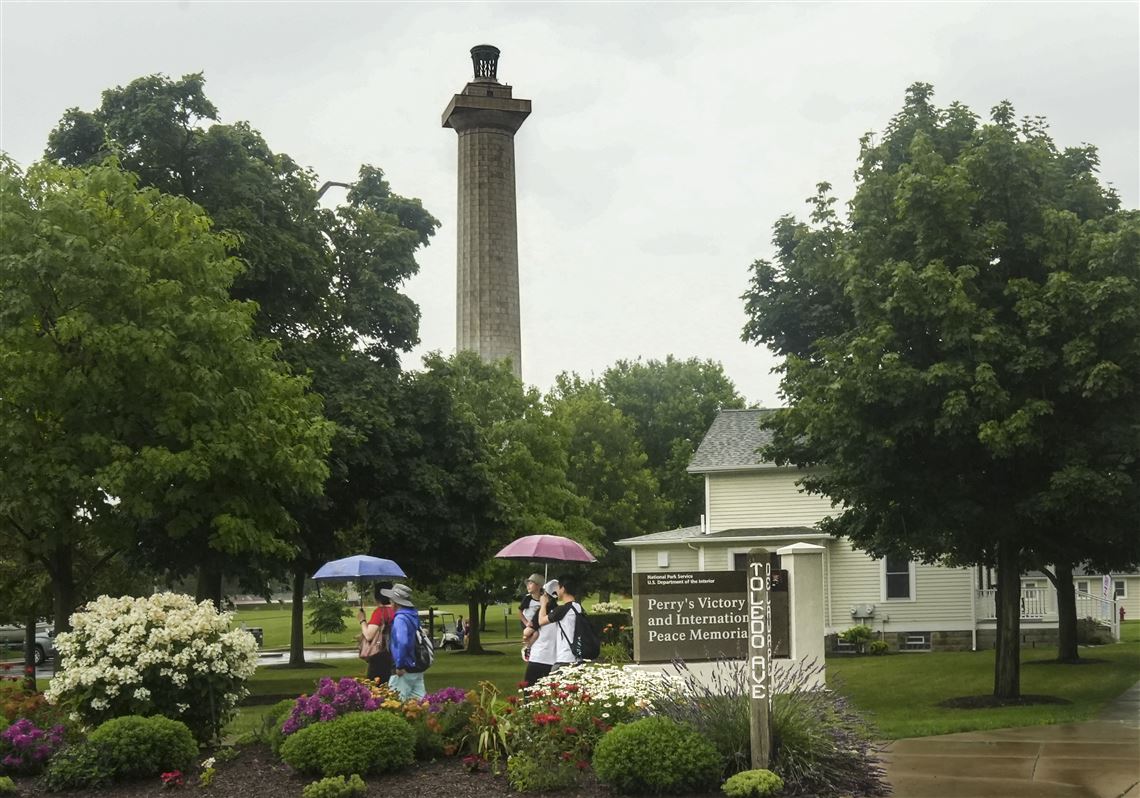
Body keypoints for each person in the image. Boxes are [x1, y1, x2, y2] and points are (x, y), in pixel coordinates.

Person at [382, 583, 427, 700]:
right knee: (418, 705)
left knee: (395, 703)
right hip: (417, 666)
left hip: (404, 668)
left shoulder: (400, 618)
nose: (390, 603)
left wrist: (400, 665)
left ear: (396, 602)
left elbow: (402, 642)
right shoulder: (413, 615)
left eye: (391, 600)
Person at [540, 576, 583, 672]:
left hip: (565, 658)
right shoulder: (579, 608)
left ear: (563, 589)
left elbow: (541, 621)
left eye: (558, 587)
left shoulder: (562, 609)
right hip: (578, 656)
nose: (557, 591)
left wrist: (543, 604)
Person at [523, 579, 559, 686]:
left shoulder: (542, 612)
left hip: (539, 657)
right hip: (555, 658)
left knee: (529, 690)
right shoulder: (560, 611)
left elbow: (527, 632)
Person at [357, 582, 394, 684]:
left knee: (375, 686)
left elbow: (369, 635)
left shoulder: (380, 612)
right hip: (394, 653)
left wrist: (362, 620)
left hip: (380, 654)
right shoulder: (396, 610)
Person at [518, 573, 544, 658]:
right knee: (535, 634)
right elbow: (520, 611)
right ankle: (527, 648)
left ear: (539, 586)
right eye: (527, 584)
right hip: (527, 622)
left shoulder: (543, 598)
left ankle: (528, 644)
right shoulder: (528, 598)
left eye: (531, 583)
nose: (528, 586)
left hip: (535, 622)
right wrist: (526, 623)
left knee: (536, 634)